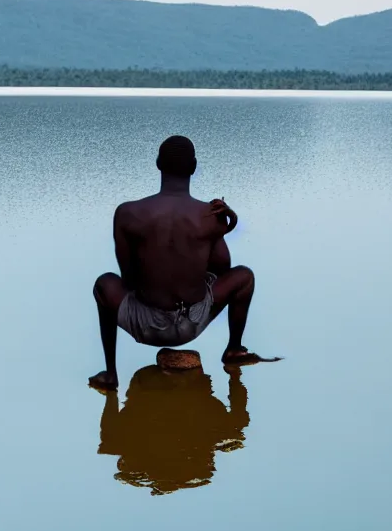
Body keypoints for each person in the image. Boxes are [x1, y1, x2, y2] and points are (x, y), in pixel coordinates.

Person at [89, 135, 270, 391]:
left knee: (103, 284)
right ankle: (233, 349)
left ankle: (110, 374)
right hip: (192, 322)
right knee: (245, 277)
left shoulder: (127, 213)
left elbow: (127, 280)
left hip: (145, 324)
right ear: (194, 168)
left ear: (157, 164)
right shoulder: (210, 215)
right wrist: (220, 229)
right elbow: (223, 273)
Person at [97, 364, 249, 494]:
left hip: (160, 384)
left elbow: (239, 419)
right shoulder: (209, 436)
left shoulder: (210, 436)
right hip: (167, 384)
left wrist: (234, 374)